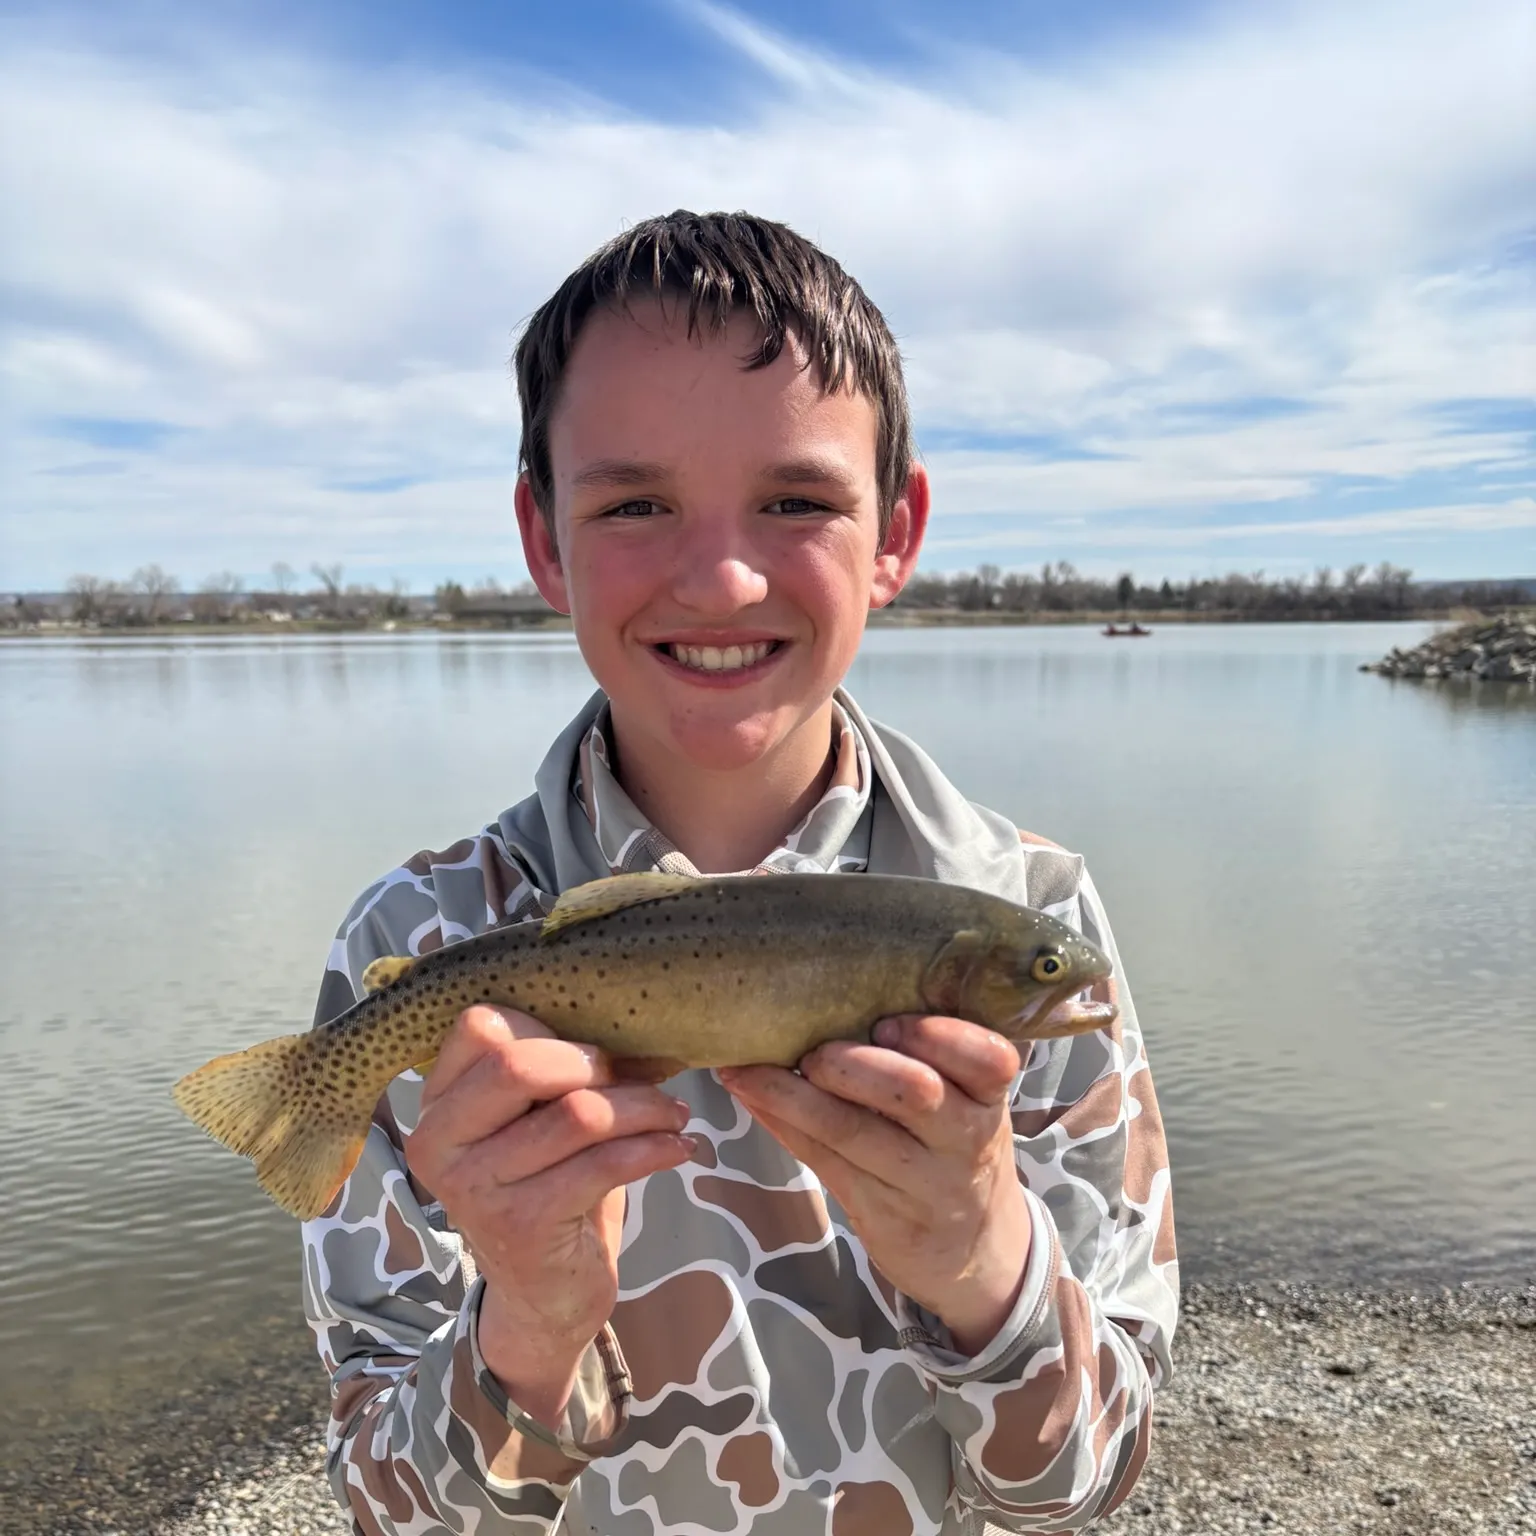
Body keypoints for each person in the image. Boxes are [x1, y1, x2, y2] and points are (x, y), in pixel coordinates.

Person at [302, 210, 1178, 1536]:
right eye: (634, 504)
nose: (719, 580)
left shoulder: (1030, 911)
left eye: (797, 503)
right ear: (545, 539)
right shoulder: (420, 941)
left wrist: (982, 1264)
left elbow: (1081, 1492)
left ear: (896, 531)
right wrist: (527, 1329)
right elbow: (386, 1516)